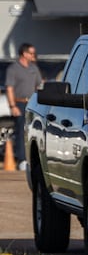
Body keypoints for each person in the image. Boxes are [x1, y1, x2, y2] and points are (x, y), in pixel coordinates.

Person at [6, 43, 42, 171]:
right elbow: (9, 88)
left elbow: (39, 84)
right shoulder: (13, 69)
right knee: (21, 131)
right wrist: (12, 106)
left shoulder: (34, 68)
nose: (34, 56)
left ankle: (33, 159)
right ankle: (22, 160)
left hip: (32, 103)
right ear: (24, 54)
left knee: (35, 132)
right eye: (32, 53)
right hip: (20, 103)